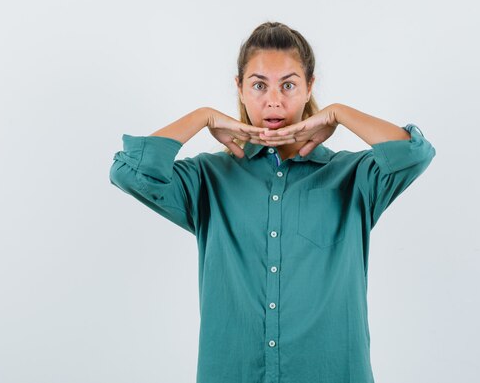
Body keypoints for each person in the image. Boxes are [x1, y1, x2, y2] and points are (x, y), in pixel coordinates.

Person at [109, 21, 436, 383]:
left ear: (310, 86)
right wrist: (200, 117)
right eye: (259, 85)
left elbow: (415, 154)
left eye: (289, 85)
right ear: (240, 87)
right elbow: (129, 173)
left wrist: (340, 113)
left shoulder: (354, 176)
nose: (274, 101)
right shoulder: (207, 178)